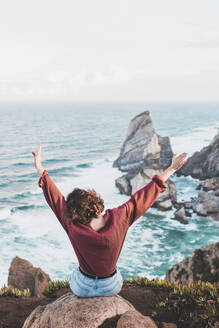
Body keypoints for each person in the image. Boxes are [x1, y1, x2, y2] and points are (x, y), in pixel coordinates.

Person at [32, 143, 187, 298]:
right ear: (96, 202)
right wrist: (172, 169)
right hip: (110, 287)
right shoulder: (120, 218)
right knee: (115, 275)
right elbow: (144, 196)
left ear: (73, 212)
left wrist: (39, 167)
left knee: (75, 274)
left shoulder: (73, 225)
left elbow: (54, 197)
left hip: (83, 287)